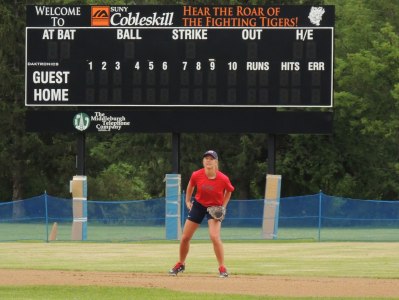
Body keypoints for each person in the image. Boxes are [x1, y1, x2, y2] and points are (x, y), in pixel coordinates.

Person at [169, 150, 235, 278]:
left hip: (215, 208)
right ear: (203, 161)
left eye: (211, 158)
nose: (208, 160)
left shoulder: (223, 178)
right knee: (185, 237)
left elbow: (229, 191)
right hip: (199, 205)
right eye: (206, 158)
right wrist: (188, 200)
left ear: (216, 162)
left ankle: (222, 267)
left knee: (214, 237)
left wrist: (223, 207)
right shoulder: (196, 174)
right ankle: (181, 263)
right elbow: (190, 185)